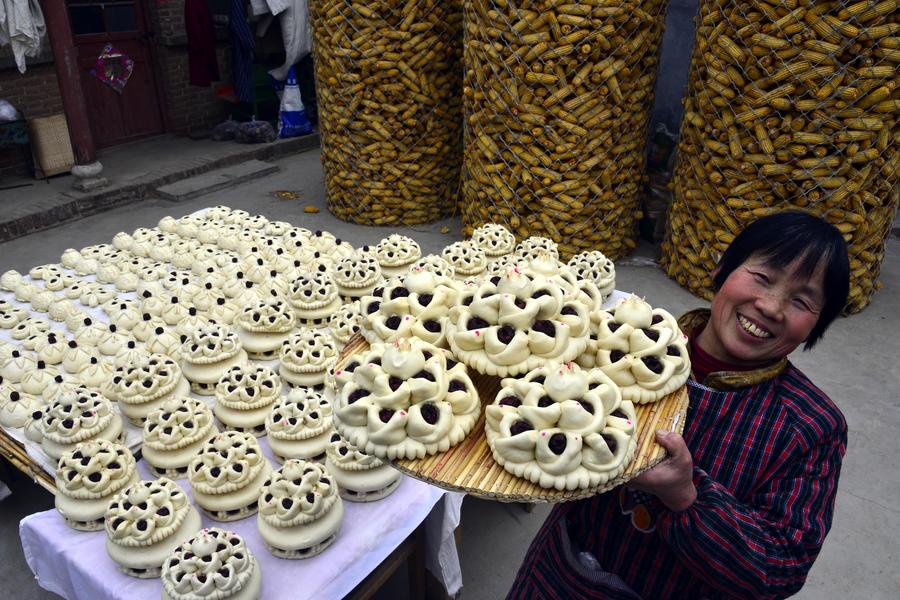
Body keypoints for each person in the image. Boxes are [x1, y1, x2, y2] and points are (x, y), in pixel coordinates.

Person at [507, 211, 850, 599]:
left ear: (817, 326)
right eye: (763, 277)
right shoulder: (613, 344)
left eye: (801, 300)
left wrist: (685, 496)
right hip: (561, 577)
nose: (771, 306)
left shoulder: (810, 427)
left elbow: (780, 568)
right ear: (723, 268)